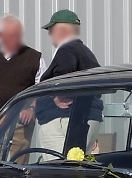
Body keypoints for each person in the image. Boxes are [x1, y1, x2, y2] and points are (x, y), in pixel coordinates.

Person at [35, 9, 101, 157]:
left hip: (63, 120)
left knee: (58, 172)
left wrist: (58, 95)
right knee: (78, 169)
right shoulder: (86, 52)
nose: (49, 34)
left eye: (51, 30)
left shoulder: (67, 49)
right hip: (85, 119)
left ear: (62, 30)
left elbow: (64, 74)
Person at [0, 14, 46, 134]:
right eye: (12, 35)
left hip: (20, 124)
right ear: (1, 36)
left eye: (18, 35)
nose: (16, 39)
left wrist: (31, 109)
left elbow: (42, 90)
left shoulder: (34, 58)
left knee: (19, 154)